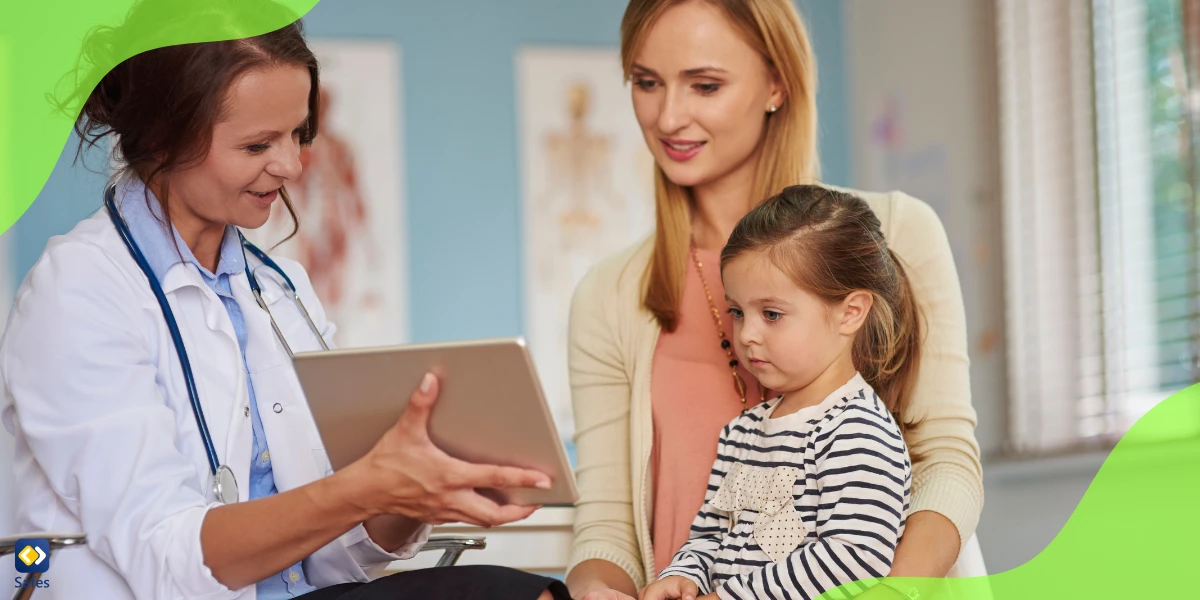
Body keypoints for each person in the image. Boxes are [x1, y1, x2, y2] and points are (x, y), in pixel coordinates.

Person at [0, 2, 570, 599]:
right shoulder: (78, 291)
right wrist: (364, 488)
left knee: (528, 591)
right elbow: (171, 562)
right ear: (163, 135)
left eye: (298, 134)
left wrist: (407, 489)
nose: (292, 165)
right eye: (256, 146)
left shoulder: (282, 290)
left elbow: (329, 561)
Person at [564, 1, 983, 598]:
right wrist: (608, 589)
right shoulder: (607, 295)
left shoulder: (896, 234)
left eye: (704, 85)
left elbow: (946, 462)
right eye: (646, 83)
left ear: (776, 84)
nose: (668, 116)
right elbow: (606, 530)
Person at [643, 185, 916, 600]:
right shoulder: (743, 432)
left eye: (771, 314)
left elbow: (853, 559)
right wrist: (684, 575)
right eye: (737, 312)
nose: (747, 334)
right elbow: (711, 535)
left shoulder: (859, 430)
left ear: (850, 312)